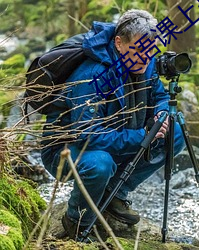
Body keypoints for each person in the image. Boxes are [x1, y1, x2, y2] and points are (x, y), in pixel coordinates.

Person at [41, 9, 185, 241]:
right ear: (119, 43)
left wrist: (161, 114)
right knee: (100, 164)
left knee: (175, 132)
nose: (145, 58)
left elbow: (159, 96)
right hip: (67, 150)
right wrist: (142, 136)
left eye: (150, 52)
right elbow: (87, 135)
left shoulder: (143, 61)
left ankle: (115, 193)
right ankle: (76, 221)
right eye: (138, 50)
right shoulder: (92, 75)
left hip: (117, 136)